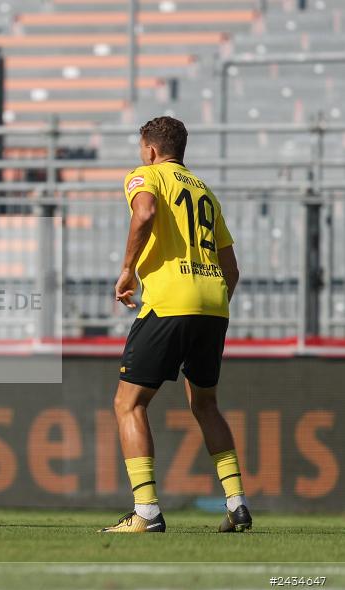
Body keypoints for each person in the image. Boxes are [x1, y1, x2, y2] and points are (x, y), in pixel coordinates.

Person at [100, 116, 249, 534]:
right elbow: (232, 269)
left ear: (150, 149)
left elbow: (145, 212)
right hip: (214, 302)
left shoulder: (146, 175)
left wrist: (127, 269)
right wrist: (208, 307)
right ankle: (237, 504)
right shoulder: (204, 191)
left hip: (169, 301)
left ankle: (146, 511)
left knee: (129, 404)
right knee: (205, 405)